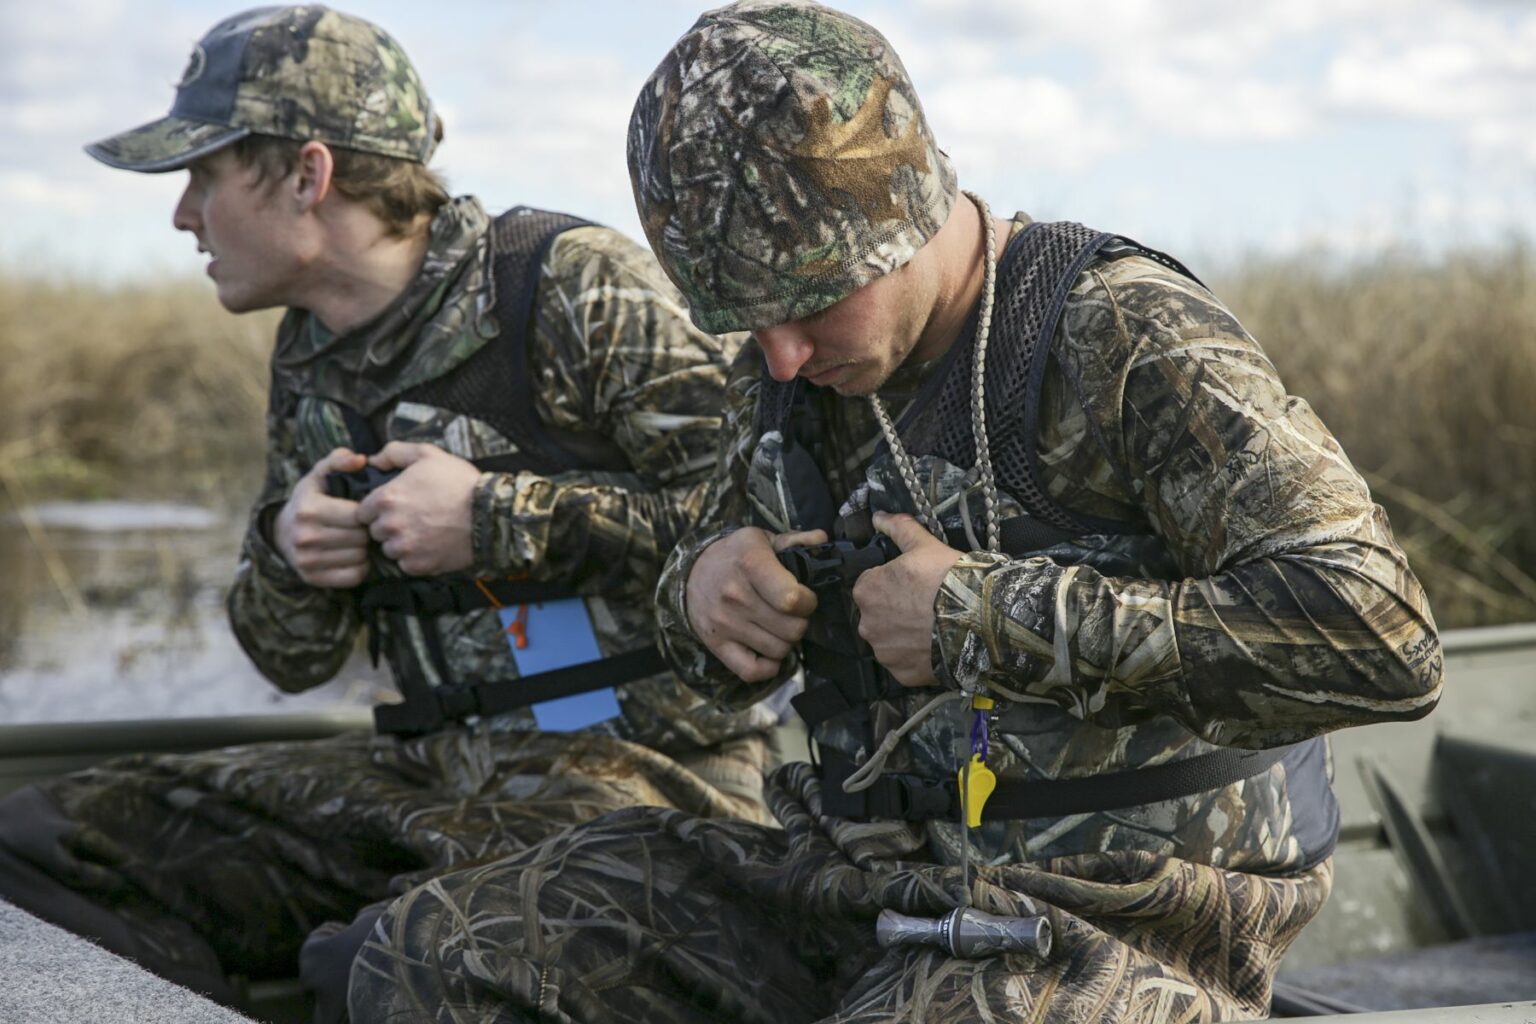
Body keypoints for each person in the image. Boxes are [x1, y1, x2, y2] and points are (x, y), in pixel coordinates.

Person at [349, 1, 1445, 1022]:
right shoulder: (788, 370)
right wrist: (703, 594)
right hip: (859, 880)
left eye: (806, 303)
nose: (776, 351)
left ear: (906, 210)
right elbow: (695, 629)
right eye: (741, 314)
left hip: (1121, 912)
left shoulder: (1122, 332)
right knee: (435, 948)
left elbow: (1382, 638)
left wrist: (977, 615)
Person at [0, 5, 781, 1018]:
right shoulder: (307, 351)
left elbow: (764, 534)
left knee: (384, 960)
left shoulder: (574, 286)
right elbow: (290, 660)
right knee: (45, 840)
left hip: (647, 783)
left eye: (202, 174)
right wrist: (291, 555)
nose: (182, 216)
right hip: (426, 776)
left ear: (307, 176)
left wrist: (498, 518)